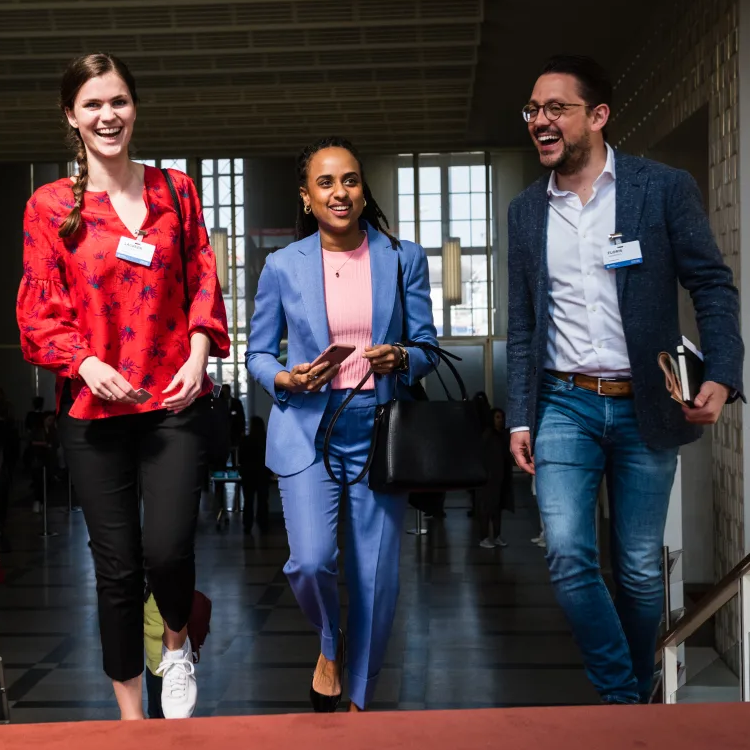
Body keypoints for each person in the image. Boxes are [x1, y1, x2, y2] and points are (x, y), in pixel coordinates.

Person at [507, 54, 744, 705]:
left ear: (598, 115)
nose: (540, 120)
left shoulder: (660, 188)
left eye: (556, 108)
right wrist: (520, 416)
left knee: (639, 571)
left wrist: (722, 373)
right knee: (565, 553)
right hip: (563, 403)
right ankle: (621, 696)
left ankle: (639, 692)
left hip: (648, 405)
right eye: (533, 110)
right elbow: (523, 324)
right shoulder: (526, 213)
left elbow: (712, 284)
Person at [16, 53, 229, 720]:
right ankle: (132, 721)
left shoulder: (176, 190)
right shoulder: (49, 206)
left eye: (118, 101)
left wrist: (199, 355)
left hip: (173, 402)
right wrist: (81, 363)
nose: (108, 115)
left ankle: (175, 645)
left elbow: (202, 279)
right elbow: (36, 312)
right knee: (116, 570)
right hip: (91, 413)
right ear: (71, 119)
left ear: (134, 107)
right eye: (92, 105)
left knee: (168, 548)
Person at [246, 135, 437, 712]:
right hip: (309, 427)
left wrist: (401, 356)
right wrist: (286, 378)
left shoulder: (403, 257)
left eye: (350, 180)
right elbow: (257, 354)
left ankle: (360, 698)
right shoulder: (282, 266)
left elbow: (427, 345)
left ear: (362, 188)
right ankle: (330, 643)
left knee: (375, 578)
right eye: (326, 182)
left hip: (381, 431)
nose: (340, 192)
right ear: (307, 198)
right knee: (309, 561)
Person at [476, 408, 514, 549]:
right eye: (497, 417)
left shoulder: (503, 435)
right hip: (489, 479)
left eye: (501, 417)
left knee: (497, 508)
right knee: (487, 508)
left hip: (500, 478)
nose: (500, 420)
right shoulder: (488, 435)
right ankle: (484, 537)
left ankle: (497, 535)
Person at [239, 416, 271, 533]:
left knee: (248, 501)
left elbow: (241, 458)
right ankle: (263, 524)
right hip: (262, 474)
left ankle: (247, 524)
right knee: (263, 501)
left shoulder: (245, 440)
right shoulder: (266, 440)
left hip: (248, 474)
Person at [219, 383, 246, 464]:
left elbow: (241, 417)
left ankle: (236, 468)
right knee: (222, 455)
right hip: (222, 434)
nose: (224, 394)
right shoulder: (219, 404)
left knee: (236, 455)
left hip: (235, 433)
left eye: (226, 391)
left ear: (229, 391)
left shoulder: (236, 402)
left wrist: (242, 430)